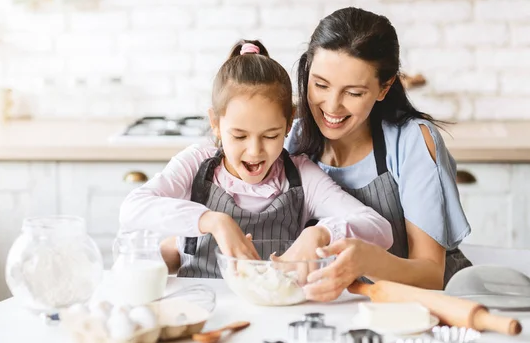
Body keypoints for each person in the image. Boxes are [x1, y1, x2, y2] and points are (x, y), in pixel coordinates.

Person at [119, 39, 393, 279]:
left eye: (271, 136)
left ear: (288, 124)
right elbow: (132, 209)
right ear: (215, 123)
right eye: (239, 136)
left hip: (275, 316)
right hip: (203, 309)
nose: (254, 151)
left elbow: (380, 229)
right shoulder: (196, 164)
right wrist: (214, 221)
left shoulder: (300, 176)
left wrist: (321, 233)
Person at [285, 7, 472, 301]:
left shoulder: (411, 141)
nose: (332, 106)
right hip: (337, 307)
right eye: (320, 85)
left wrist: (367, 261)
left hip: (419, 307)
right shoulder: (293, 141)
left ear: (384, 87)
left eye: (354, 93)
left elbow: (431, 276)